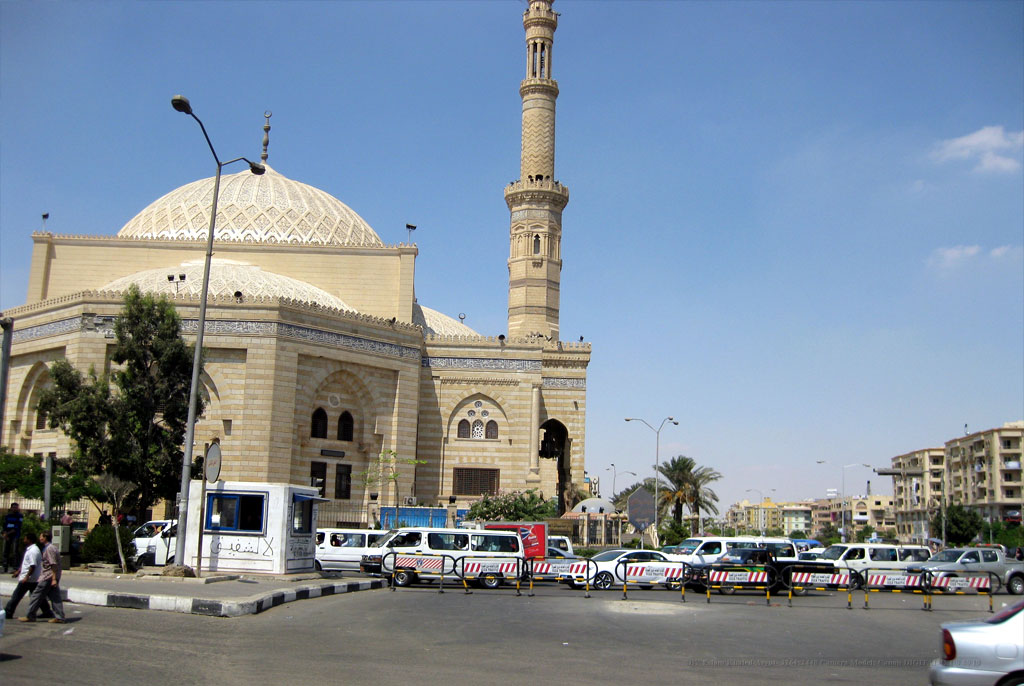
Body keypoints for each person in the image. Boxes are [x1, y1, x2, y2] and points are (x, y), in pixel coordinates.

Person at [4, 532, 53, 620]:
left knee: (16, 596)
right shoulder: (31, 549)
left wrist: (26, 576)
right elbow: (26, 563)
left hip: (28, 579)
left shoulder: (33, 551)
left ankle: (8, 612)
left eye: (25, 538)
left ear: (29, 540)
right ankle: (47, 611)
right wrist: (18, 571)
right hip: (32, 578)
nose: (24, 540)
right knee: (38, 597)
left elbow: (32, 565)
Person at [20, 531, 65, 623]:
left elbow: (53, 564)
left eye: (41, 537)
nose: (40, 538)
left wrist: (54, 579)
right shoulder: (51, 547)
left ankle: (30, 616)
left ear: (45, 538)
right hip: (50, 576)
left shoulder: (49, 549)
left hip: (47, 577)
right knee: (55, 597)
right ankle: (59, 617)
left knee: (35, 596)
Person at [3, 502, 24, 572]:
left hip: (15, 536)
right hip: (7, 536)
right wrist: (5, 534)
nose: (15, 509)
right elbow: (5, 525)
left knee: (15, 551)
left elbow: (17, 526)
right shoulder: (8, 516)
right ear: (11, 508)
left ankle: (15, 567)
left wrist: (7, 533)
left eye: (16, 507)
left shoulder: (20, 516)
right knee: (6, 551)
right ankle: (5, 567)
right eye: (14, 507)